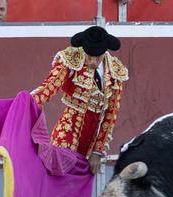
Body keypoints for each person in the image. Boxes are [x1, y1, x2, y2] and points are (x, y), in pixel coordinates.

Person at [30, 25, 128, 174]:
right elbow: (48, 88)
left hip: (92, 140)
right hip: (68, 129)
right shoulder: (71, 59)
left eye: (97, 57)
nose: (93, 61)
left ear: (105, 52)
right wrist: (27, 104)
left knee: (79, 182)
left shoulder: (115, 70)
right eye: (89, 57)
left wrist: (97, 151)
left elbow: (111, 113)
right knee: (59, 174)